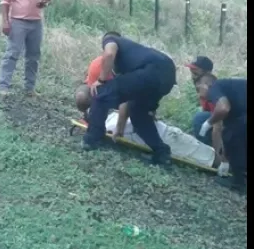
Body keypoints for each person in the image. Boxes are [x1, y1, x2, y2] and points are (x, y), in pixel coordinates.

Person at [75, 58, 217, 168]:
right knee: (186, 144)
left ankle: (221, 159)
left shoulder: (110, 118)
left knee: (183, 140)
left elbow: (128, 103)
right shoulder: (111, 120)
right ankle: (220, 160)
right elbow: (128, 104)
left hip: (155, 129)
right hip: (159, 133)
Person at [81, 32, 176, 165]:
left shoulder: (111, 39)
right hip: (168, 76)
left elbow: (108, 54)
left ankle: (92, 139)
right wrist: (120, 128)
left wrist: (101, 81)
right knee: (138, 114)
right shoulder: (133, 57)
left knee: (100, 93)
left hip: (151, 71)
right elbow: (126, 98)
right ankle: (162, 153)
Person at [0, 0, 53, 97]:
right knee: (12, 53)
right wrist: (5, 21)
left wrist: (44, 3)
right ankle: (4, 86)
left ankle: (29, 87)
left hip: (36, 23)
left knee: (33, 56)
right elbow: (4, 1)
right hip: (18, 21)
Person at [197, 76, 246, 193]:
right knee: (235, 135)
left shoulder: (216, 86)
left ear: (207, 83)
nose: (199, 94)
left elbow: (223, 108)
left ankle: (239, 183)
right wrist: (224, 158)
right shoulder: (235, 95)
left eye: (199, 89)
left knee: (232, 136)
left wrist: (208, 123)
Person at [186, 56, 215, 144]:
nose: (193, 77)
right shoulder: (202, 87)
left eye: (195, 73)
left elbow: (219, 121)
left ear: (207, 73)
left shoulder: (212, 89)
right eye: (191, 73)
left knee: (200, 118)